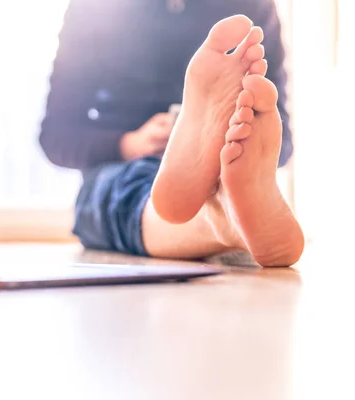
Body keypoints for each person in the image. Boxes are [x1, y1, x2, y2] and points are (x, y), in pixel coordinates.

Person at [39, 0, 304, 267]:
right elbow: (56, 137)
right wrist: (130, 144)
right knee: (127, 188)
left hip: (219, 168)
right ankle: (229, 216)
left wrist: (235, 140)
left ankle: (226, 214)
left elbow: (282, 140)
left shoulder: (253, 5)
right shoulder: (93, 7)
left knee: (127, 196)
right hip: (121, 166)